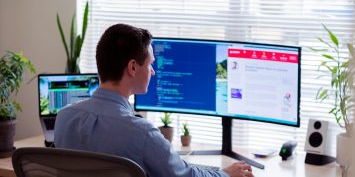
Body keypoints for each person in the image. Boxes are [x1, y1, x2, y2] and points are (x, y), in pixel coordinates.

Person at [54, 23, 253, 177]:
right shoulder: (142, 133)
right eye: (150, 64)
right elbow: (186, 175)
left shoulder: (64, 118)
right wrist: (224, 173)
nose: (153, 71)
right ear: (132, 68)